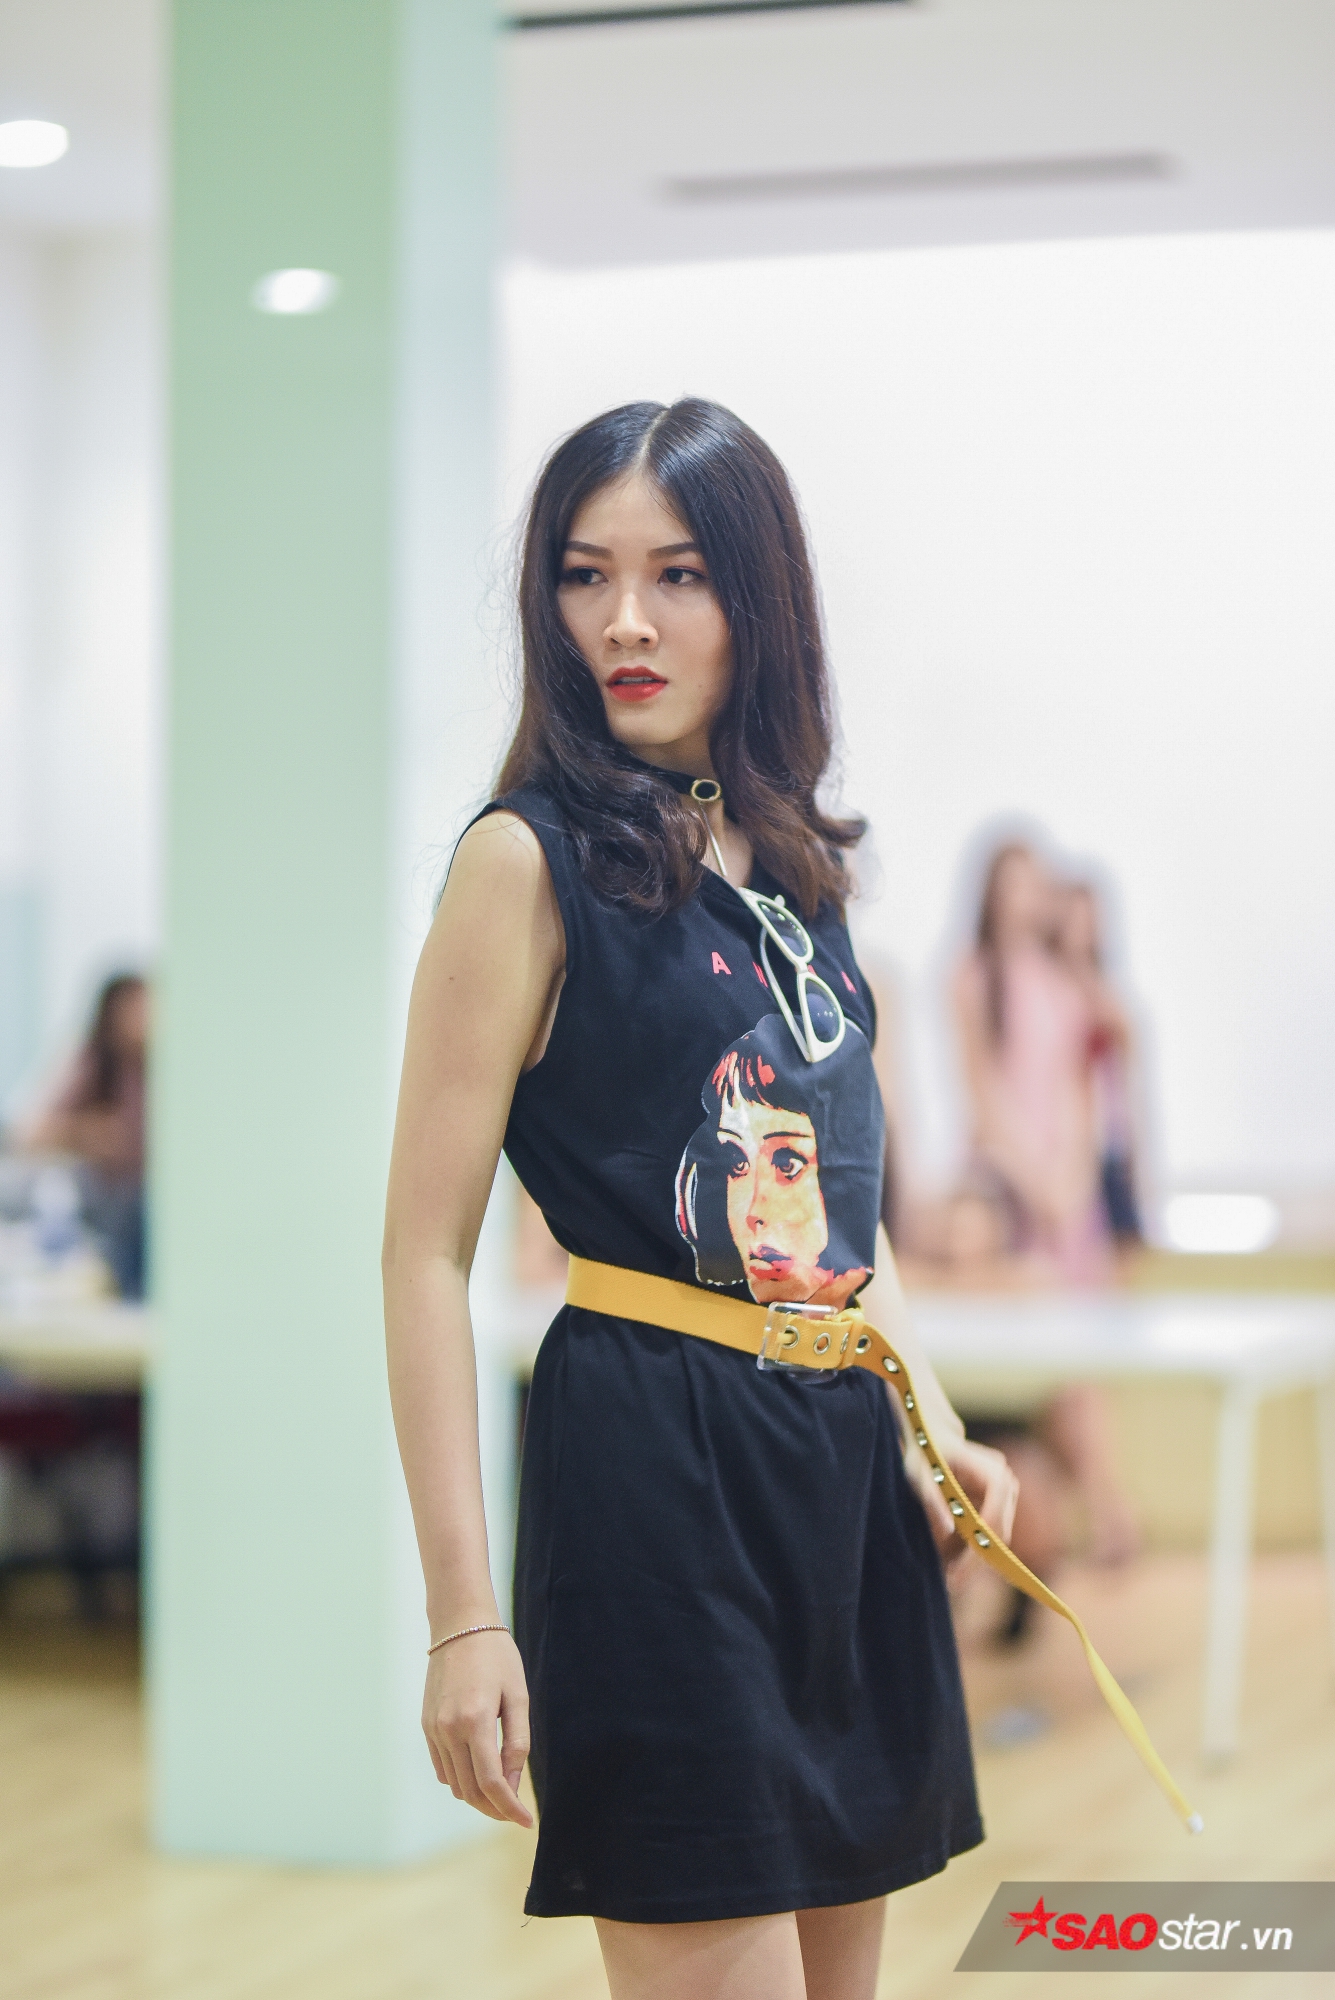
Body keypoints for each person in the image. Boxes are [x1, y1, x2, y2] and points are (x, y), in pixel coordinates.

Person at [383, 400, 1017, 2000]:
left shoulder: (798, 869)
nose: (624, 621)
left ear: (756, 598)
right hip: (650, 1475)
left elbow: (834, 1224)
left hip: (835, 1482)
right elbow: (421, 1255)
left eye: (675, 575)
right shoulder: (522, 866)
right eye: (583, 575)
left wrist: (930, 1424)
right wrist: (461, 1615)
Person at [21, 973, 149, 1299]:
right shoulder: (95, 1063)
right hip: (113, 1200)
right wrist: (96, 1133)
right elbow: (31, 1132)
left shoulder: (162, 1066)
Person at [1056, 879, 1144, 1246]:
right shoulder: (1049, 993)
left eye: (1089, 921)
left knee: (1123, 1240)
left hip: (1110, 1138)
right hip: (1068, 1141)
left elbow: (1129, 1079)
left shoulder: (1109, 997)